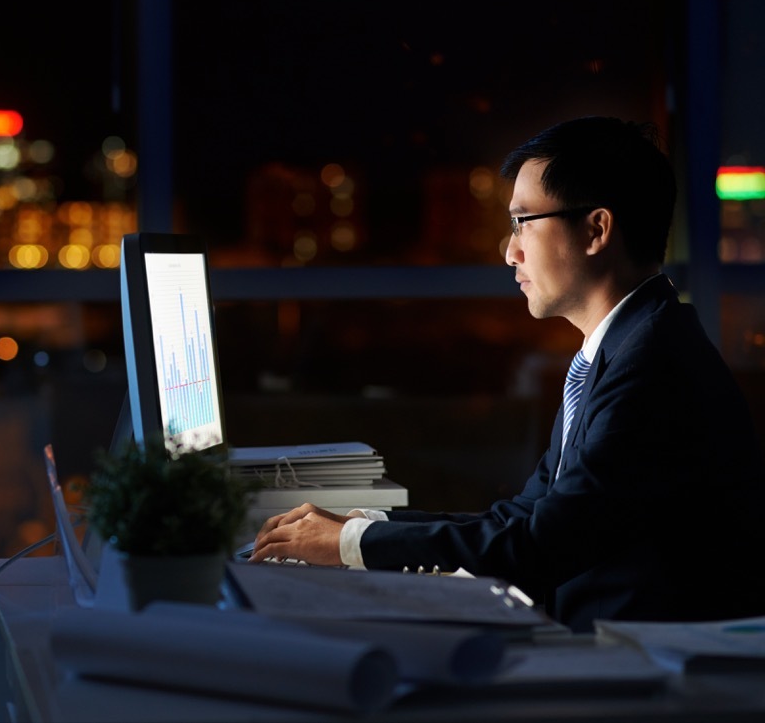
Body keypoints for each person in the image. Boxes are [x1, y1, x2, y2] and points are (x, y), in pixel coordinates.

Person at [249, 116, 765, 633]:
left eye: (522, 222)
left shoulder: (650, 367)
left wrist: (350, 546)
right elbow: (524, 516)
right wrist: (363, 526)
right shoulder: (627, 345)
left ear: (596, 230)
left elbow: (539, 544)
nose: (509, 250)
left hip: (637, 660)